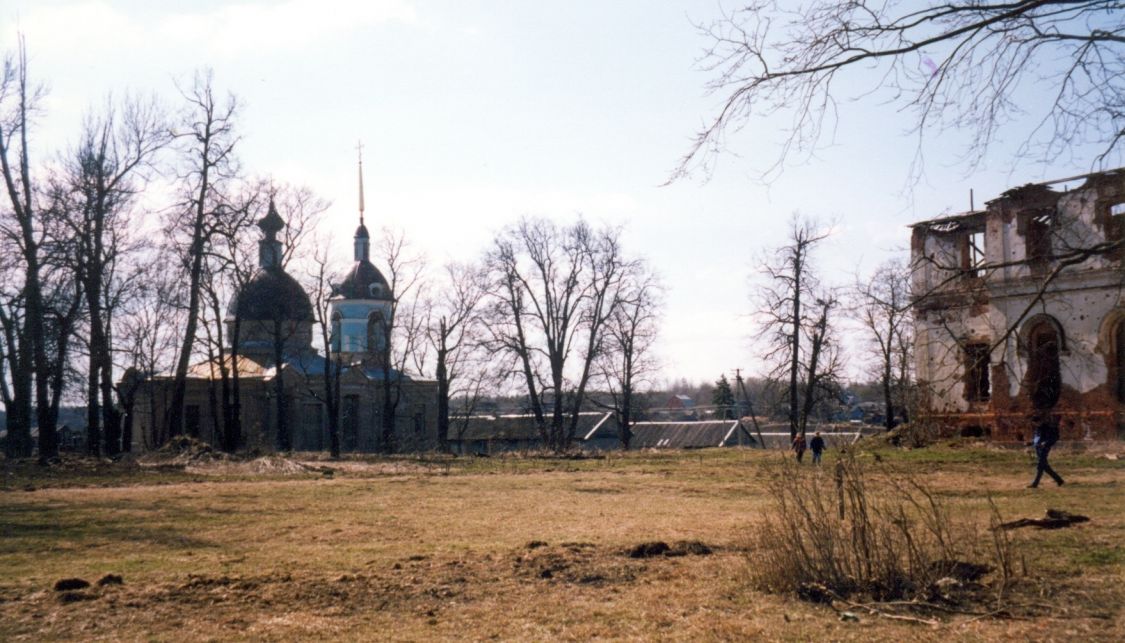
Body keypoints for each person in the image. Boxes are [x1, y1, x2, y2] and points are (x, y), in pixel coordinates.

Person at [1028, 414, 1064, 488]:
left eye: (1035, 422)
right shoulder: (1038, 429)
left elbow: (1053, 438)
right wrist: (1031, 443)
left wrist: (1045, 443)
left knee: (1040, 466)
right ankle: (1059, 480)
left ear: (1039, 421)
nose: (1035, 424)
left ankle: (1035, 483)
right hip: (1038, 449)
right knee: (1045, 467)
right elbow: (1037, 439)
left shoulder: (1046, 428)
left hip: (1044, 449)